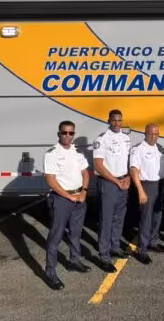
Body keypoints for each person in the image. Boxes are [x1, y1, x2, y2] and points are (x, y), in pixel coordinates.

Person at [42, 120, 91, 291]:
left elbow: (85, 173)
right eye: (64, 133)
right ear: (59, 134)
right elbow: (51, 180)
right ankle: (50, 272)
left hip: (79, 197)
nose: (68, 136)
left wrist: (84, 191)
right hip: (62, 199)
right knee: (55, 236)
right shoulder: (52, 153)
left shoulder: (78, 152)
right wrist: (69, 197)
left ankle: (74, 261)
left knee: (76, 233)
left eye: (71, 133)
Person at [93, 109, 132, 273]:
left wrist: (128, 177)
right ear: (109, 121)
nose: (117, 123)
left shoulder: (126, 138)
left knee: (119, 218)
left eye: (120, 120)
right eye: (114, 120)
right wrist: (116, 181)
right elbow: (98, 166)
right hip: (109, 183)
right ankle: (104, 256)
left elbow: (129, 160)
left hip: (123, 181)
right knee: (107, 220)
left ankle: (115, 247)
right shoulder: (102, 139)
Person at [129, 123, 164, 265]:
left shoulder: (160, 148)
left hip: (160, 184)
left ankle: (153, 242)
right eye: (151, 133)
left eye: (156, 133)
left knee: (157, 215)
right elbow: (134, 170)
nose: (153, 136)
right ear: (145, 133)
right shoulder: (138, 149)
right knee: (146, 218)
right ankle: (142, 250)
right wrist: (140, 190)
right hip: (147, 186)